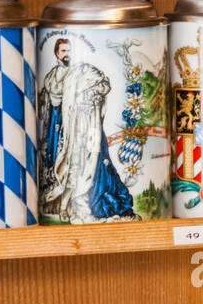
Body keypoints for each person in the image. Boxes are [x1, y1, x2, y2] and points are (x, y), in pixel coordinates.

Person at [42, 38, 134, 221]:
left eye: (69, 50)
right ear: (56, 53)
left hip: (82, 127)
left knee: (82, 165)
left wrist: (92, 95)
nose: (66, 54)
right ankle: (63, 206)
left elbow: (104, 85)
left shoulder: (84, 71)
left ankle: (81, 204)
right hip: (59, 129)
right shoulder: (51, 77)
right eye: (62, 51)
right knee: (62, 167)